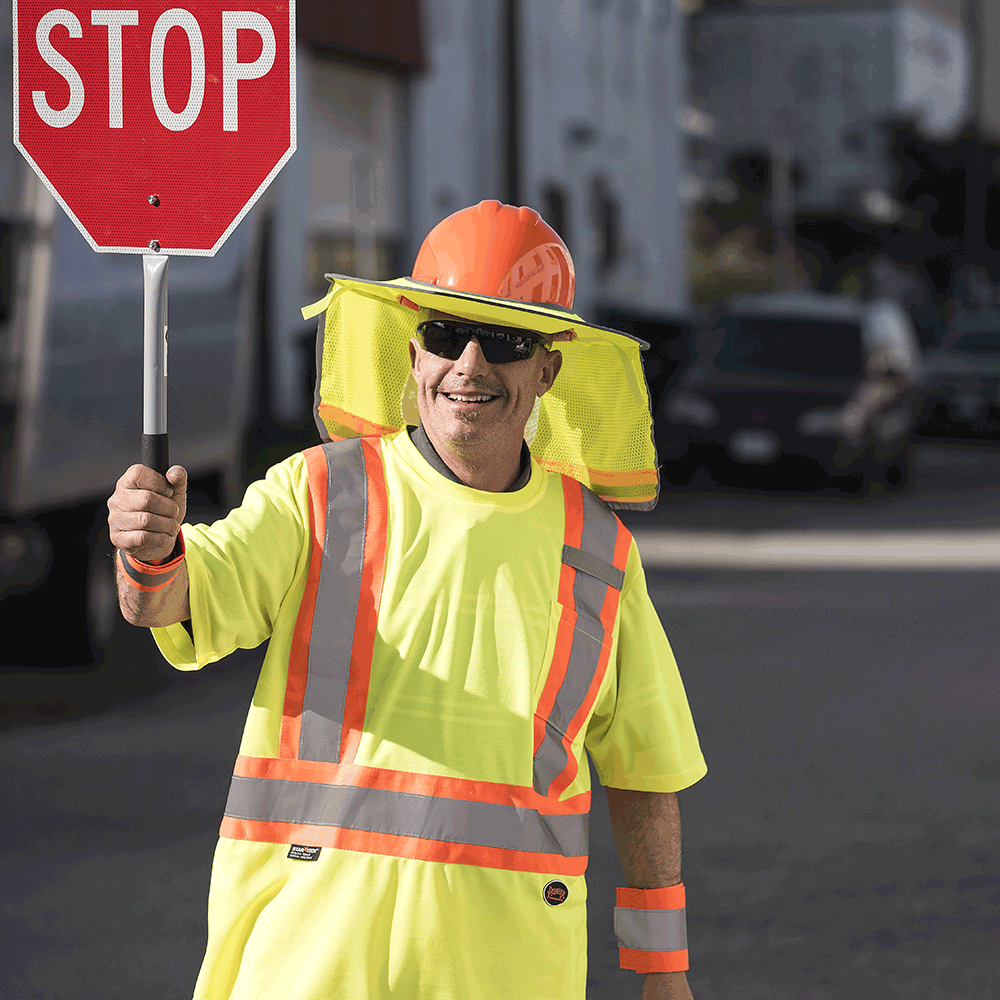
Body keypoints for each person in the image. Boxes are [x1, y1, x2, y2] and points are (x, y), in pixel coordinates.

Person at [108, 200, 707, 1000]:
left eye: (503, 339)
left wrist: (662, 972)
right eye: (443, 333)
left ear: (547, 369)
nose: (469, 363)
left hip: (509, 973)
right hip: (309, 966)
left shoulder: (597, 549)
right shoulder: (322, 491)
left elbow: (643, 770)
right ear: (413, 351)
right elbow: (170, 599)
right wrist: (148, 551)